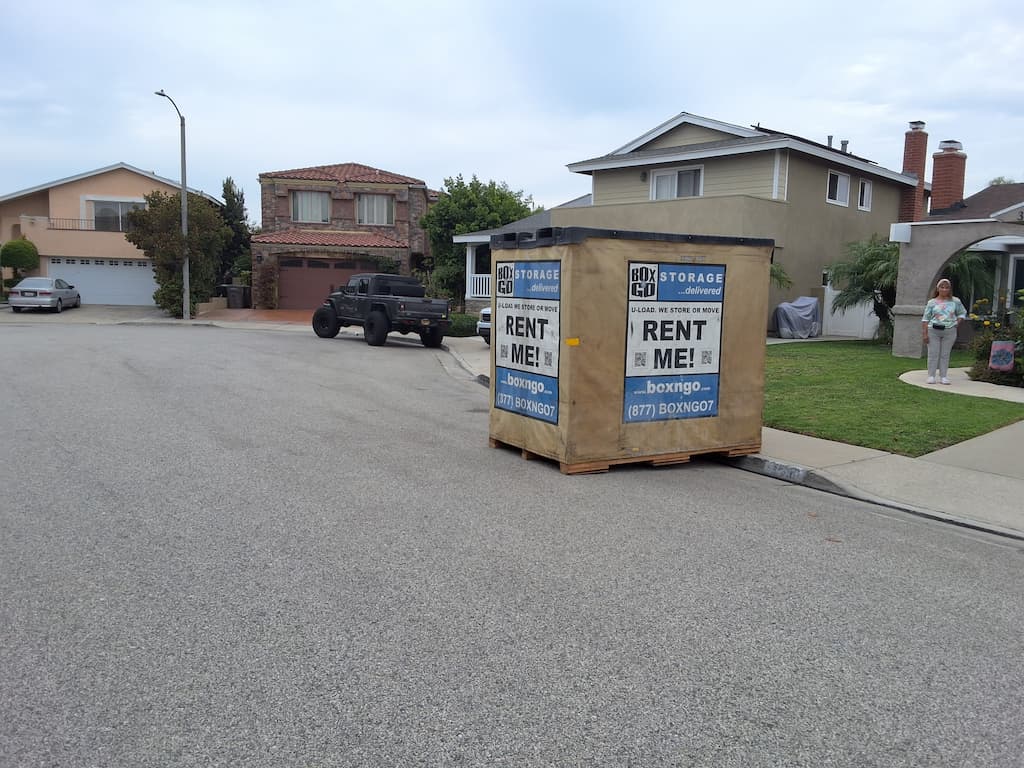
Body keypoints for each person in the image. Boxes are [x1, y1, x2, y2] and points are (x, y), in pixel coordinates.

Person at [921, 278, 967, 384]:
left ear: (950, 289)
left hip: (949, 330)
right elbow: (925, 319)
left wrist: (957, 323)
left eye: (947, 287)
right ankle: (931, 375)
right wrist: (925, 333)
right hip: (933, 330)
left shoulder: (955, 301)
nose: (944, 289)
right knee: (933, 353)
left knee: (945, 354)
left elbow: (962, 313)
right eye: (942, 287)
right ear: (937, 289)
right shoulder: (932, 302)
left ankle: (943, 376)